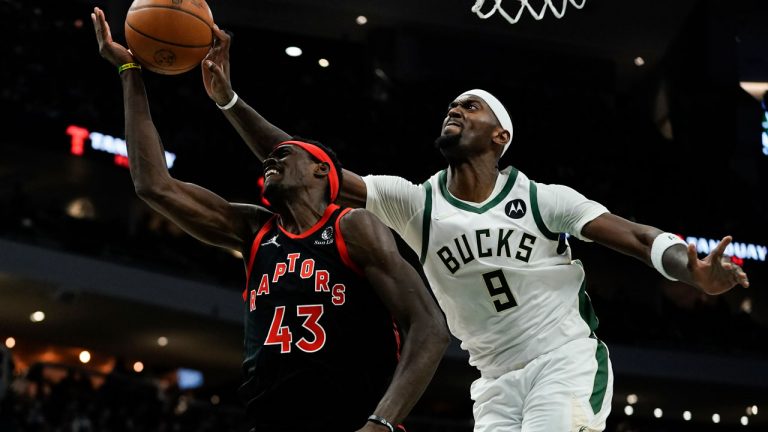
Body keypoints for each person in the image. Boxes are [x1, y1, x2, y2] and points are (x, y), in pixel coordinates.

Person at [200, 28, 751, 432]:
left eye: (471, 106)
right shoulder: (414, 203)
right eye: (452, 105)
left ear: (500, 137)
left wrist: (691, 269)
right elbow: (309, 168)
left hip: (563, 360)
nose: (455, 109)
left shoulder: (543, 199)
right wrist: (228, 100)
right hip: (492, 381)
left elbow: (634, 237)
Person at [91, 8, 450, 432]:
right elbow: (154, 185)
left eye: (286, 152)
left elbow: (429, 327)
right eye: (272, 155)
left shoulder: (352, 226)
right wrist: (130, 70)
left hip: (350, 420)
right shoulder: (256, 230)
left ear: (322, 172)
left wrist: (381, 422)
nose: (273, 156)